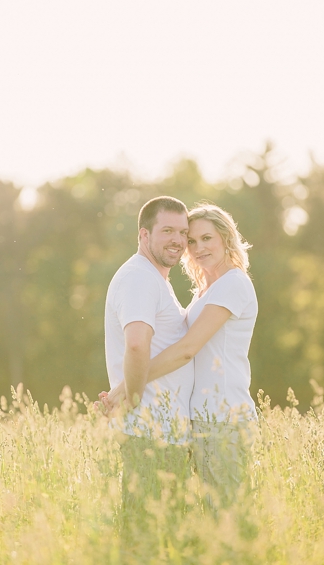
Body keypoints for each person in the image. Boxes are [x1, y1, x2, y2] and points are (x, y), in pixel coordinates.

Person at [103, 202, 258, 508]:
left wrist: (125, 388)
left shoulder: (234, 284)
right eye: (192, 240)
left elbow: (187, 350)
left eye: (206, 238)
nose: (197, 247)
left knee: (226, 518)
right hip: (200, 420)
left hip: (223, 416)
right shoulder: (205, 289)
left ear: (226, 237)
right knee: (205, 518)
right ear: (144, 235)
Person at [102, 196, 195, 534]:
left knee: (158, 535)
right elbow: (137, 343)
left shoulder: (156, 280)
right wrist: (134, 399)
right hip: (152, 433)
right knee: (147, 537)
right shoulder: (139, 277)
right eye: (167, 230)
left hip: (162, 432)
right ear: (144, 235)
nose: (178, 240)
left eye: (183, 232)